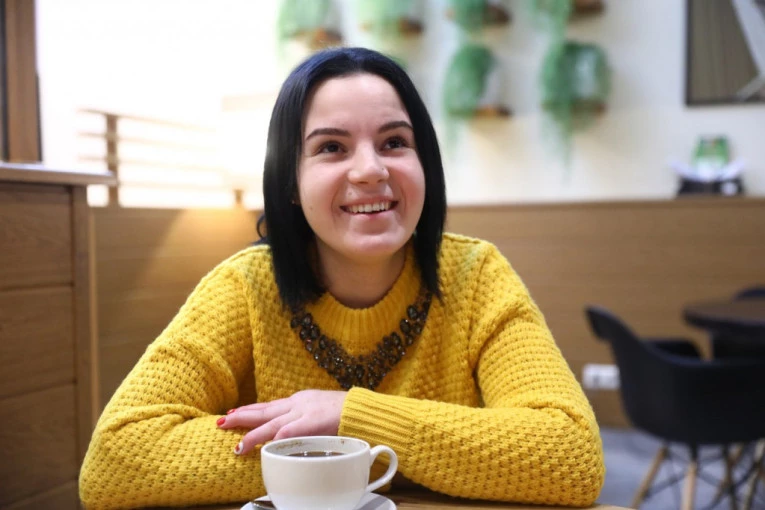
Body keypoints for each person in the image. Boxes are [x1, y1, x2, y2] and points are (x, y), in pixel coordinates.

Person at [79, 47, 605, 509]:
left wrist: (348, 416)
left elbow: (570, 453)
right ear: (290, 182)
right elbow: (116, 459)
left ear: (425, 163)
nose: (370, 170)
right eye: (331, 147)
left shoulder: (477, 274)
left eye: (394, 142)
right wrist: (366, 453)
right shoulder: (244, 287)